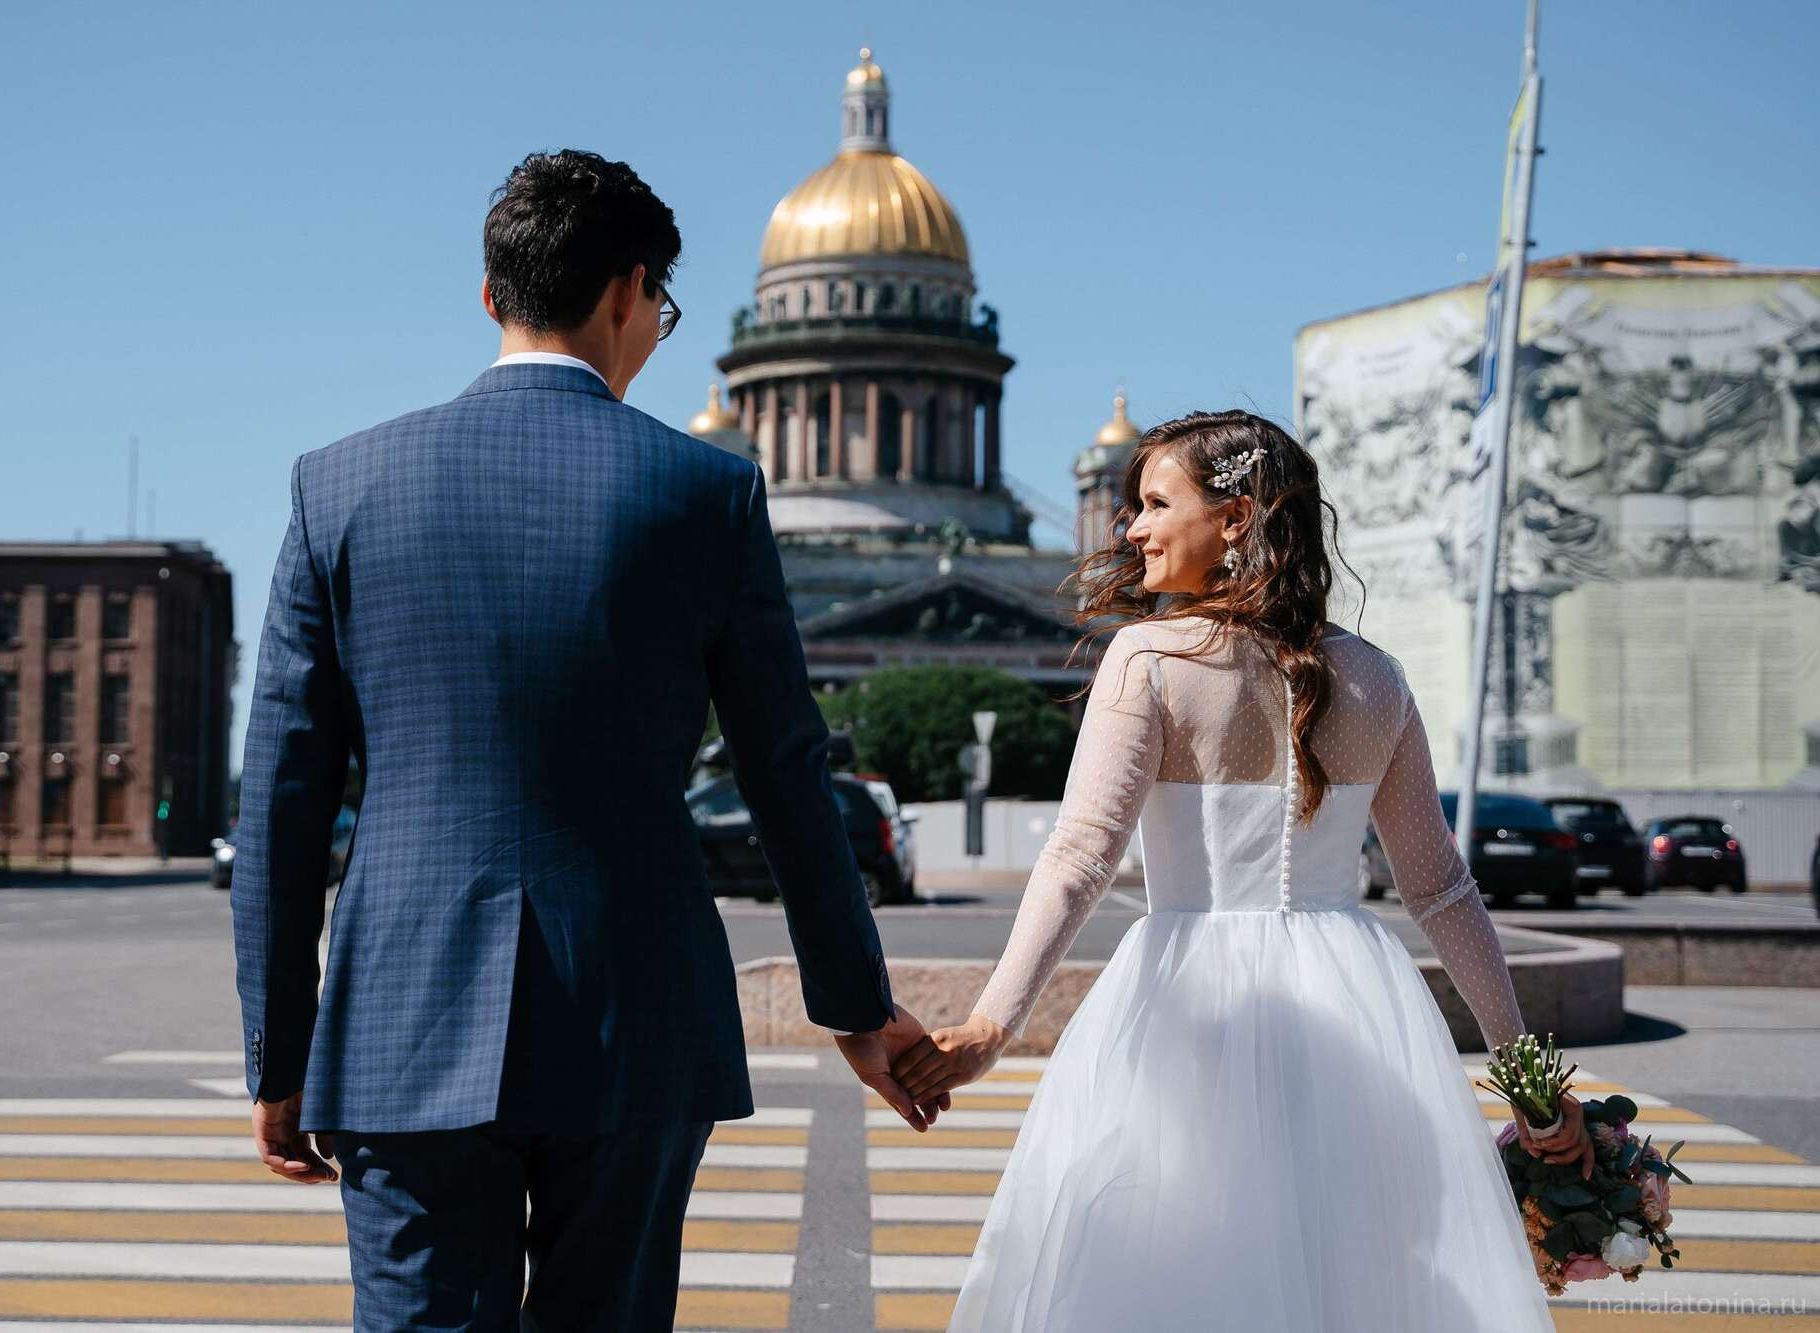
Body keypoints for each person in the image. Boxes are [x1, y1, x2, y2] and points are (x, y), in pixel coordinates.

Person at [231, 149, 939, 1332]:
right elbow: (785, 773)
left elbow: (282, 799)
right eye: (660, 307)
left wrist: (278, 1049)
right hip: (634, 1010)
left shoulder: (337, 486)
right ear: (628, 289)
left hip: (400, 1015)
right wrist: (855, 1008)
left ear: (490, 296)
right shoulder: (704, 492)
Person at [892, 410, 1593, 1330]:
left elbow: (1082, 854)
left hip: (1188, 1006)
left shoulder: (1150, 658)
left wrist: (992, 1025)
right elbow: (1440, 888)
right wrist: (1530, 1080)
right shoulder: (1378, 677)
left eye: (1152, 502)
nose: (1131, 528)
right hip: (1357, 1016)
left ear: (1235, 517)